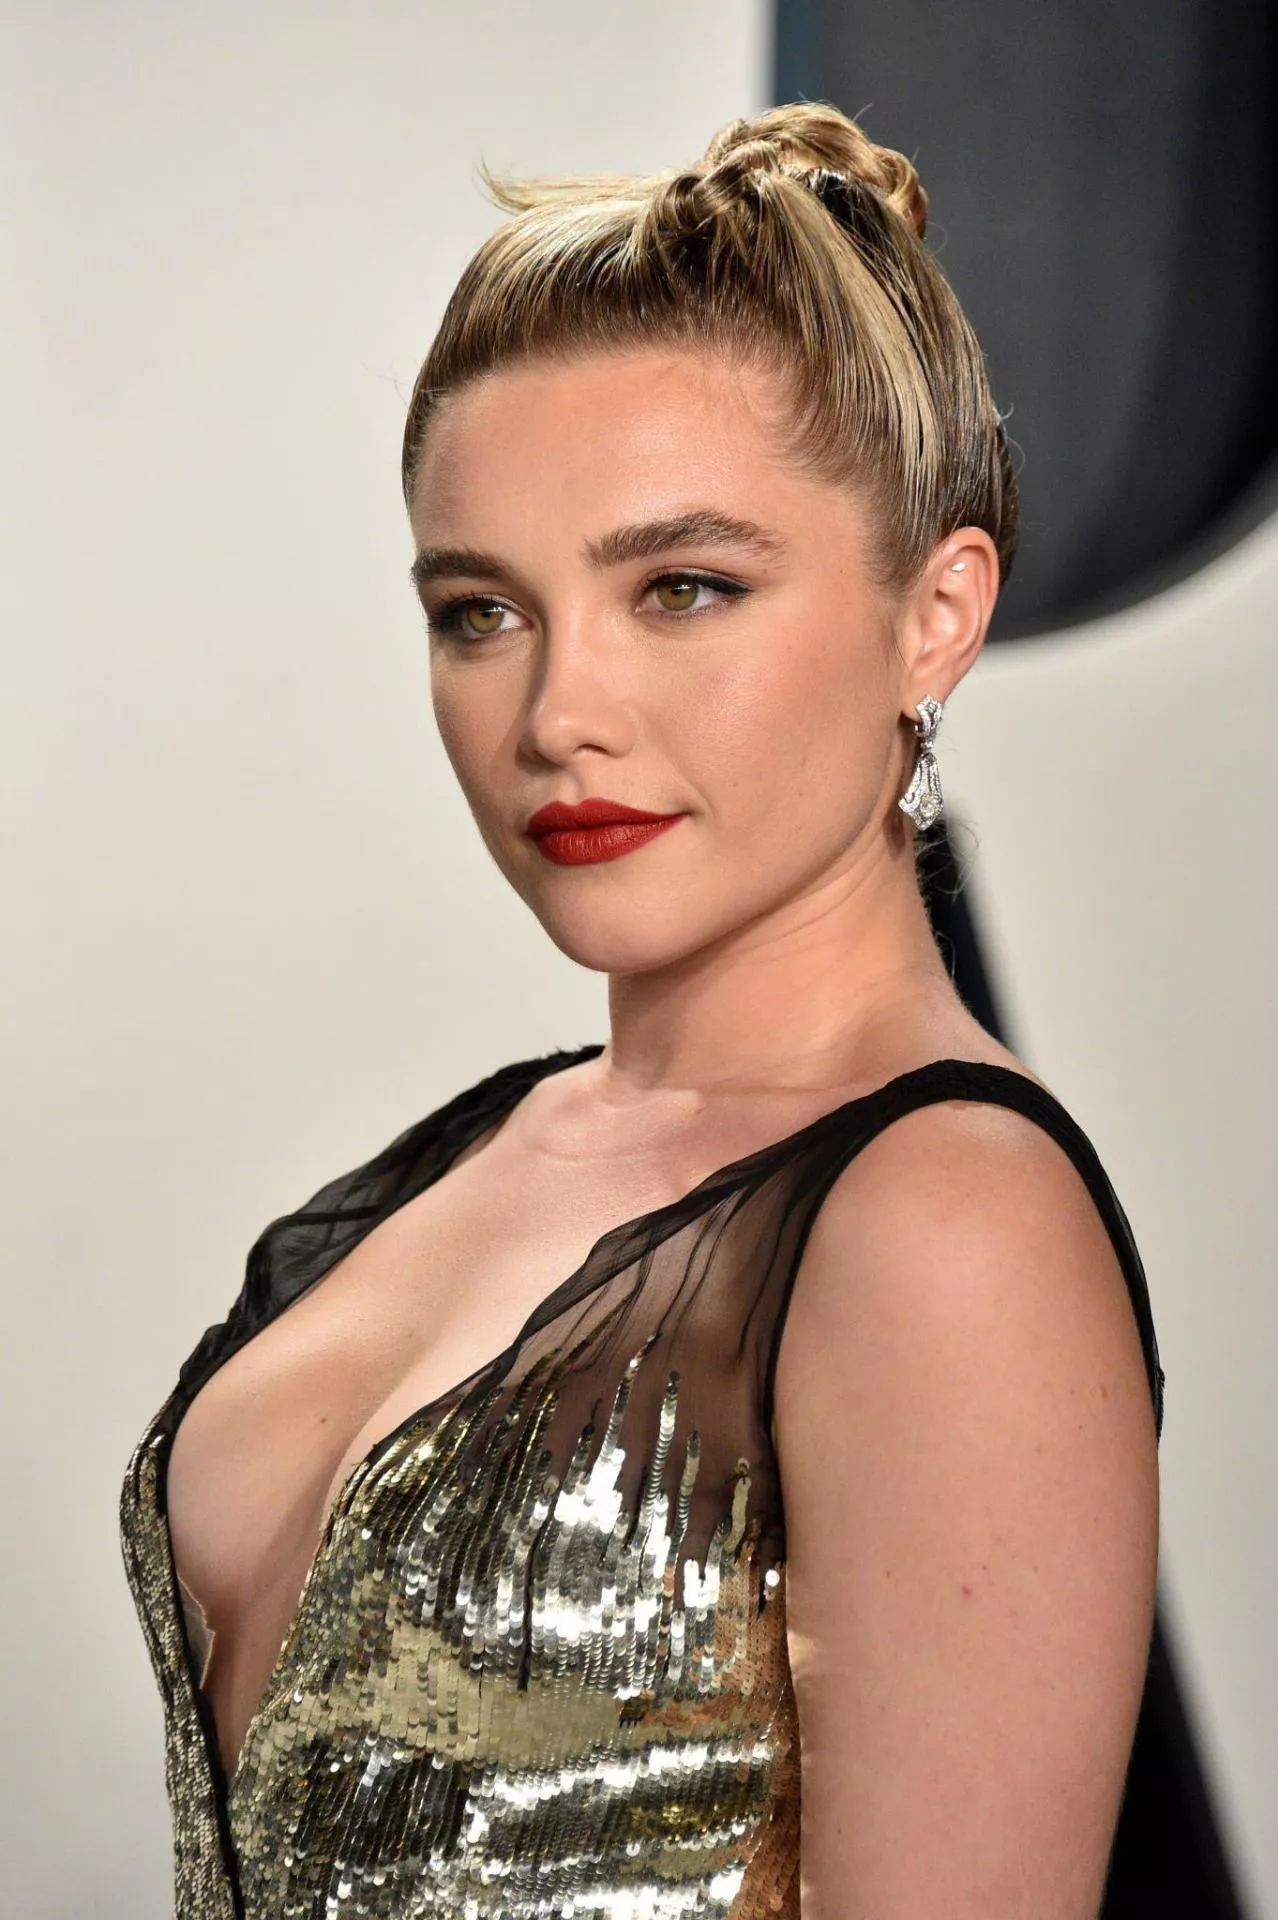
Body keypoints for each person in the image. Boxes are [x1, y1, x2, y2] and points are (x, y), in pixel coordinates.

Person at [120, 101, 1164, 1920]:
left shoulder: (943, 1222)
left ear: (935, 614)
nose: (556, 716)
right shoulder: (484, 1149)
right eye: (480, 612)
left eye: (682, 588)